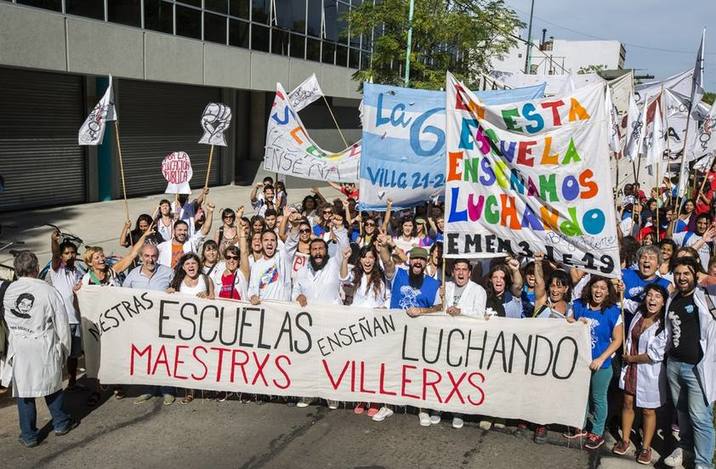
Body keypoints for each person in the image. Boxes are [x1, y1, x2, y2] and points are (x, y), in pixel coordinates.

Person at [1, 251, 78, 447]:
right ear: (36, 269)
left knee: (24, 391)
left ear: (17, 270)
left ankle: (28, 435)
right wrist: (64, 349)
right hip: (43, 344)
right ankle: (60, 423)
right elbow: (62, 323)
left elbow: (5, 319)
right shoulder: (48, 291)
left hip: (19, 346)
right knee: (52, 385)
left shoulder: (8, 290)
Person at [379, 244, 442, 427]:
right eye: (415, 258)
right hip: (395, 333)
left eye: (422, 259)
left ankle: (422, 409)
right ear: (410, 260)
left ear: (426, 262)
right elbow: (385, 260)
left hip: (419, 335)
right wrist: (384, 245)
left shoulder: (434, 284)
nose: (418, 262)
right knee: (392, 369)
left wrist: (422, 310)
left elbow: (439, 308)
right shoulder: (399, 274)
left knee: (420, 371)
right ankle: (388, 404)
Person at [662, 257, 716, 469]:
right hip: (674, 364)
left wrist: (708, 277)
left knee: (700, 417)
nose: (681, 277)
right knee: (681, 412)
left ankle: (703, 464)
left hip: (697, 368)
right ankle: (685, 449)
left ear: (695, 274)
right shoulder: (672, 297)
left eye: (686, 273)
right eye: (677, 273)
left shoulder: (706, 296)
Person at [291, 227, 349, 409]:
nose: (317, 252)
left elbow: (345, 246)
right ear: (310, 252)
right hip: (310, 324)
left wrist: (339, 229)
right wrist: (297, 297)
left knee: (330, 360)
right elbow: (295, 290)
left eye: (320, 249)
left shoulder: (334, 263)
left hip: (332, 322)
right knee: (310, 359)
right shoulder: (302, 270)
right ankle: (309, 394)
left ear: (326, 251)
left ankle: (331, 395)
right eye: (314, 249)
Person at [565, 276, 624, 450]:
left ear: (608, 292)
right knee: (580, 395)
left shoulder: (613, 311)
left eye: (603, 288)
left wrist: (601, 358)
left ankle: (597, 432)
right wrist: (575, 323)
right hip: (580, 361)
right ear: (589, 288)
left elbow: (617, 340)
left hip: (601, 363)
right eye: (595, 287)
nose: (598, 291)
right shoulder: (578, 305)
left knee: (598, 398)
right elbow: (567, 322)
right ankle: (580, 425)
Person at [613, 284, 668, 465]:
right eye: (650, 295)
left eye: (657, 297)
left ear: (664, 302)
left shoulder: (664, 324)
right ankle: (626, 439)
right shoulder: (639, 310)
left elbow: (654, 355)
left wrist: (631, 358)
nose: (652, 299)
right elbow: (621, 302)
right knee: (627, 402)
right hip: (631, 368)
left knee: (648, 410)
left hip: (647, 370)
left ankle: (645, 447)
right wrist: (619, 288)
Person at [122, 244, 176, 406]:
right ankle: (148, 389)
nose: (150, 259)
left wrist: (173, 291)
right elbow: (122, 297)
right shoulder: (132, 275)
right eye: (146, 256)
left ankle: (167, 389)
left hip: (163, 323)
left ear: (157, 257)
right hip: (141, 325)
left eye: (153, 256)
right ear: (141, 257)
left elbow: (178, 291)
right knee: (145, 357)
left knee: (163, 356)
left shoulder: (168, 272)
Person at [48, 230, 83, 391]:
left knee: (74, 355)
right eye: (66, 253)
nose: (70, 255)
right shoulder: (57, 269)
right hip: (63, 321)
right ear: (61, 256)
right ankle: (53, 385)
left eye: (73, 253)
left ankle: (72, 382)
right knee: (59, 355)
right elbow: (55, 256)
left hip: (76, 319)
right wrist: (54, 242)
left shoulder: (76, 271)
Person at [157, 203, 214, 268]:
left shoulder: (191, 243)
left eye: (185, 230)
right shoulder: (163, 246)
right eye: (180, 230)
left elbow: (205, 230)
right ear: (174, 231)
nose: (182, 232)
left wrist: (210, 212)